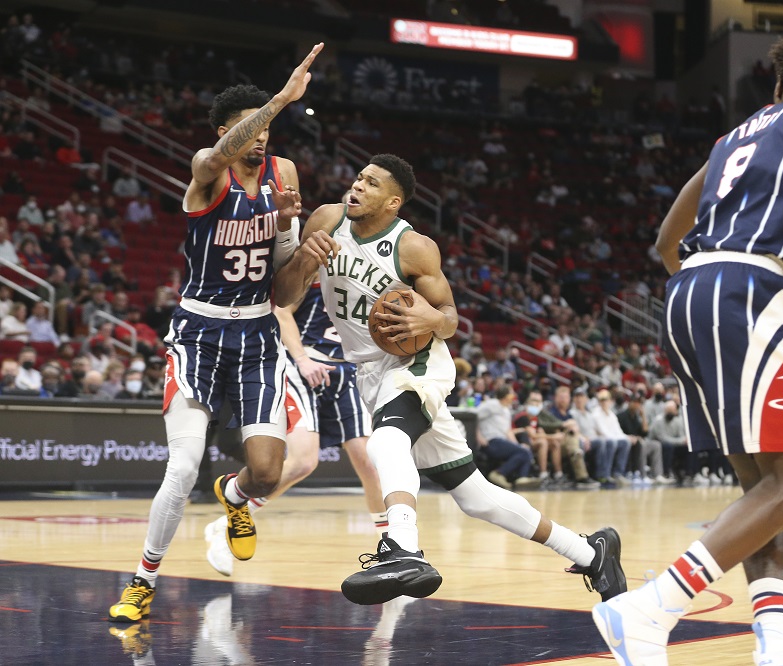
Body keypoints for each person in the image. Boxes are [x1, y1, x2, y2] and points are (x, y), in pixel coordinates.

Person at [592, 32, 783, 666]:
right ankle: (649, 608)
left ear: (778, 84)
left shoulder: (733, 137)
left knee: (763, 491)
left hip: (690, 292)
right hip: (752, 292)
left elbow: (664, 237)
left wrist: (699, 278)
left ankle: (774, 639)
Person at [275, 153, 624, 607]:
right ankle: (591, 553)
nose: (357, 186)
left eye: (371, 184)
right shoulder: (326, 219)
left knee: (385, 441)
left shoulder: (414, 247)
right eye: (359, 178)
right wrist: (303, 258)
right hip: (369, 370)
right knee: (475, 497)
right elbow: (283, 297)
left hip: (418, 362)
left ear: (393, 202)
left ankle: (401, 548)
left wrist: (429, 318)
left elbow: (451, 319)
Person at [108, 43, 325, 624]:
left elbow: (284, 292)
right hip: (199, 331)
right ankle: (144, 579)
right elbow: (219, 153)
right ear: (226, 133)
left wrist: (299, 244)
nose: (261, 138)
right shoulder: (208, 171)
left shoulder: (286, 175)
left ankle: (233, 497)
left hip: (256, 336)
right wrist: (280, 99)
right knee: (181, 468)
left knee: (269, 471)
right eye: (249, 129)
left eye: (267, 129)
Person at [203, 279, 385, 576]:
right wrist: (301, 359)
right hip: (304, 364)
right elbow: (282, 311)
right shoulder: (316, 266)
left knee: (369, 462)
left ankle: (389, 548)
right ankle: (230, 520)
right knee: (303, 462)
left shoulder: (375, 278)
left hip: (348, 370)